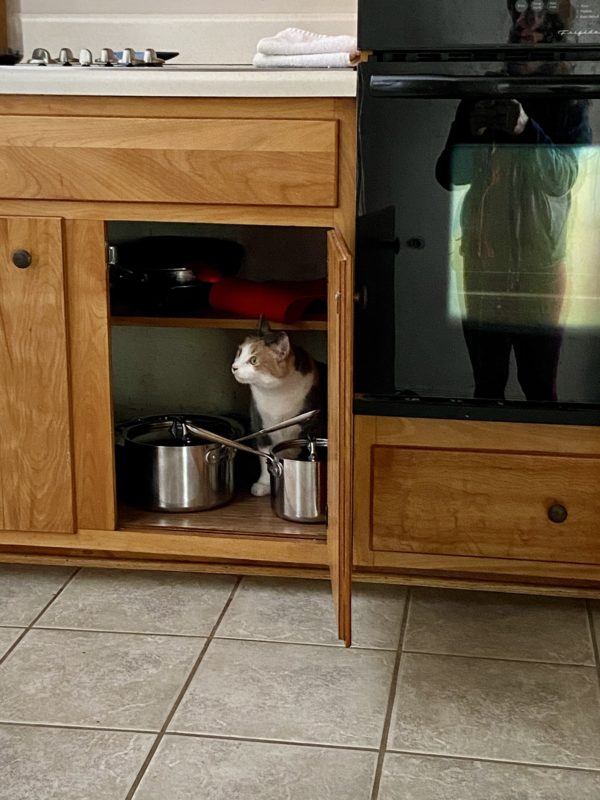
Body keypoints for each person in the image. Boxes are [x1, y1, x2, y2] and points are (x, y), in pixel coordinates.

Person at [436, 0, 591, 402]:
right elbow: (447, 178)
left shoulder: (568, 99)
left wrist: (526, 128)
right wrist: (469, 133)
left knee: (540, 388)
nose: (522, 23)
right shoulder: (483, 92)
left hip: (540, 271)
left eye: (533, 18)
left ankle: (540, 465)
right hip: (482, 265)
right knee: (486, 386)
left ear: (553, 32)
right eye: (517, 17)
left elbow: (563, 179)